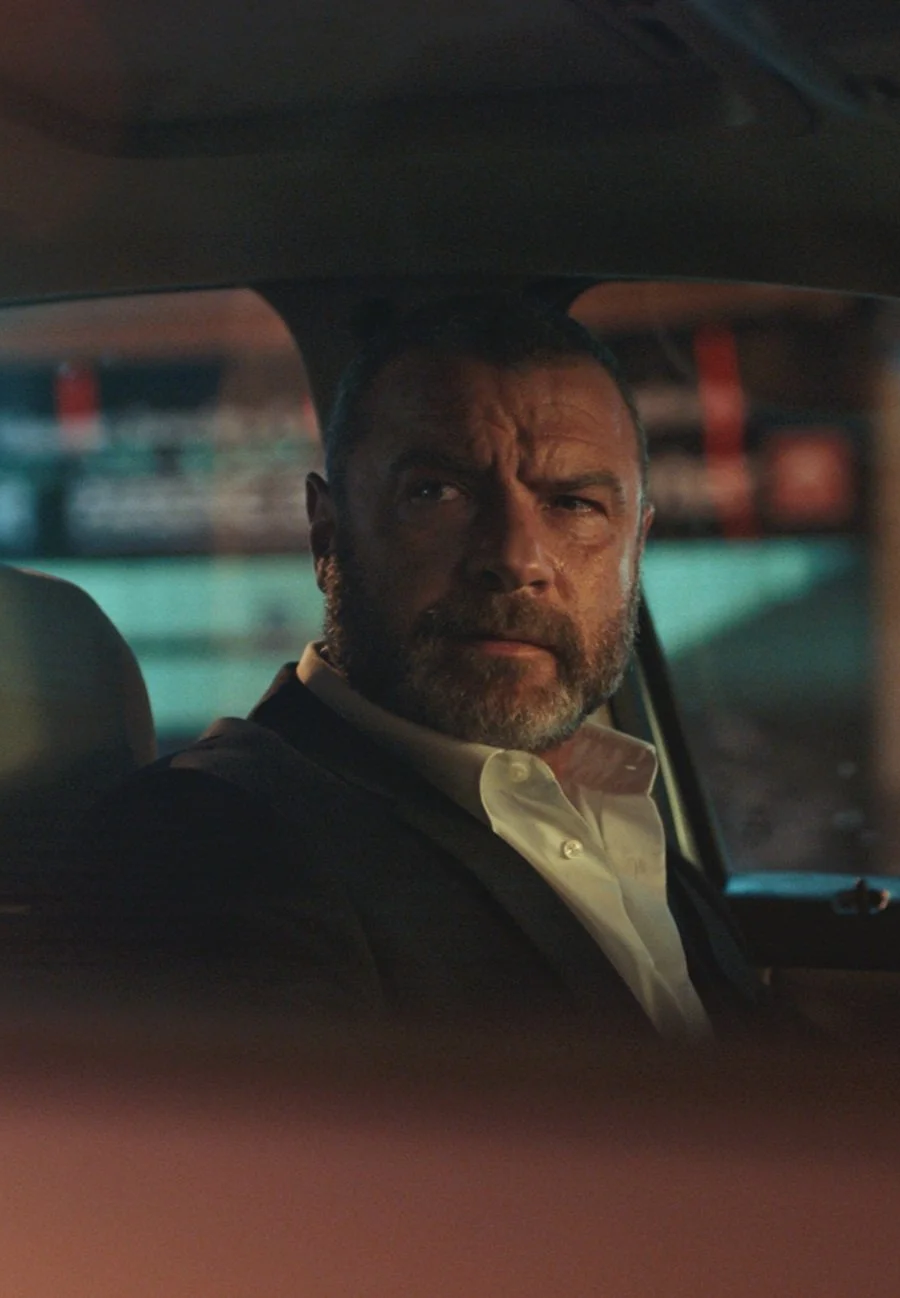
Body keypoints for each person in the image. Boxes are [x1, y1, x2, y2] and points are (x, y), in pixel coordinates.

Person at [77, 296, 769, 1040]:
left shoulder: (617, 813)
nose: (516, 559)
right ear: (327, 535)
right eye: (437, 493)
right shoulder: (209, 842)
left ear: (637, 546)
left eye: (573, 504)